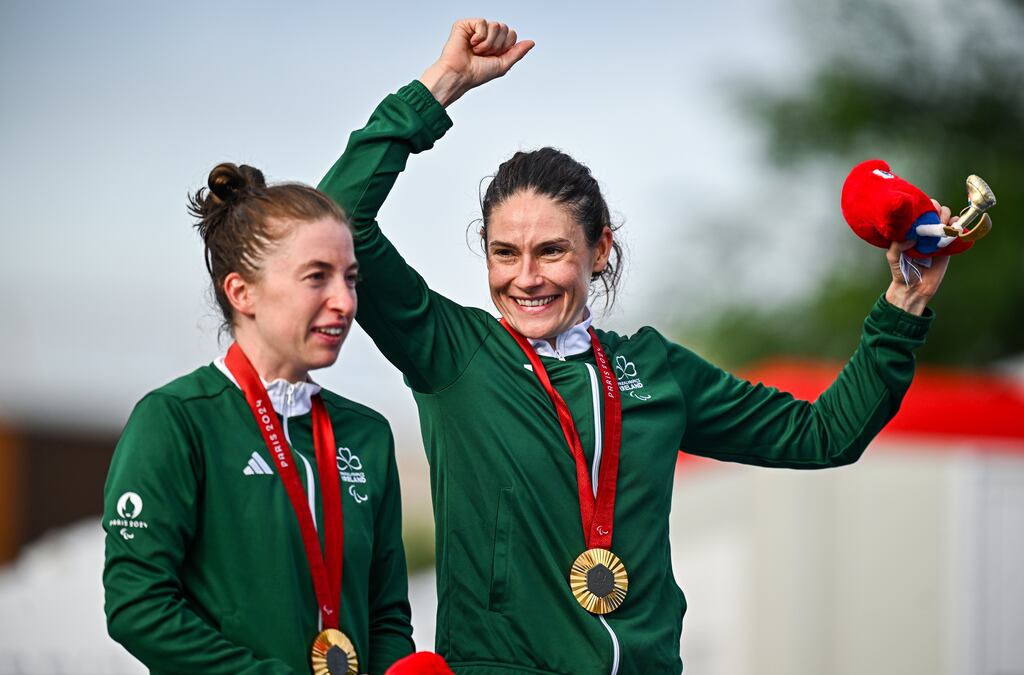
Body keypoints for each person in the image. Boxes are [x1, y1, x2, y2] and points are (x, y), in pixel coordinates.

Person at [317, 19, 954, 674]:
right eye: (504, 253)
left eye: (552, 251)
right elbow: (333, 217)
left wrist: (904, 303)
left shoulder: (653, 369)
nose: (526, 277)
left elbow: (822, 433)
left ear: (599, 250)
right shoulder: (452, 352)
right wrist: (441, 87)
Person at [103, 163, 415, 674]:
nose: (344, 302)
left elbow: (385, 617)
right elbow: (138, 608)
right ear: (241, 292)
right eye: (317, 277)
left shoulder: (368, 434)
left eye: (351, 278)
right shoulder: (175, 420)